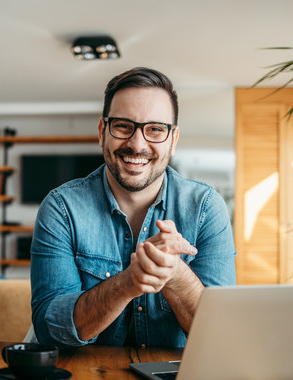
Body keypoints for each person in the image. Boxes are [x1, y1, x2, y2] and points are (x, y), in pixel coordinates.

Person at [30, 67, 236, 348]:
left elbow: (221, 335)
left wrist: (175, 273)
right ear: (103, 131)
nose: (137, 144)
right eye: (123, 126)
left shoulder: (206, 208)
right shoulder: (61, 208)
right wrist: (128, 282)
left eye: (155, 129)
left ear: (173, 140)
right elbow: (51, 331)